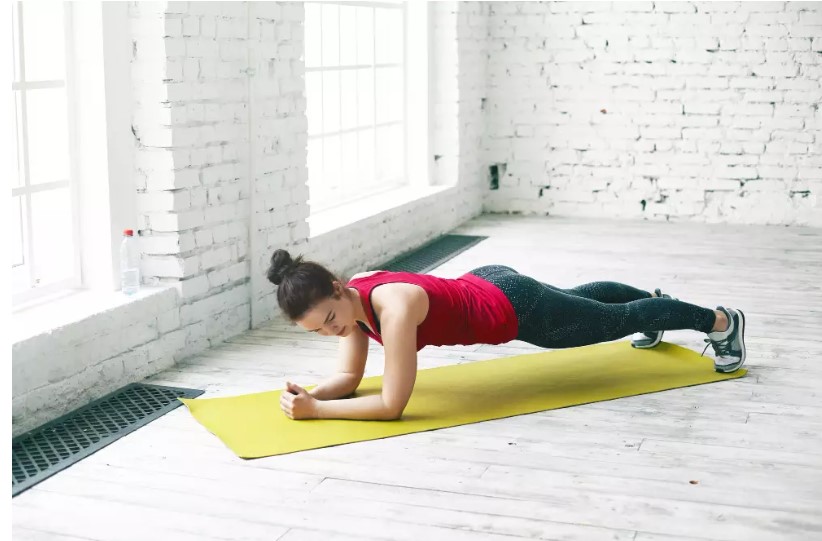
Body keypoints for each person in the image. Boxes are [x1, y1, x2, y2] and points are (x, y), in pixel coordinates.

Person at [267, 249, 746, 421]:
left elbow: (392, 406)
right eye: (320, 331)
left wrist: (319, 413)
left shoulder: (392, 312)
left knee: (606, 322)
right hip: (491, 280)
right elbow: (350, 377)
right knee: (586, 302)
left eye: (330, 319)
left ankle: (721, 321)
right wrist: (310, 395)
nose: (334, 332)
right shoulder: (353, 303)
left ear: (336, 288)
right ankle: (651, 304)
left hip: (516, 308)